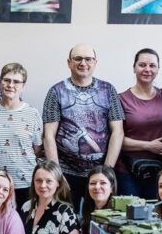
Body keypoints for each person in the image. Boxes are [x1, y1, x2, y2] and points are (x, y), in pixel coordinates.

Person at [42, 44, 125, 211]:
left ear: (95, 62)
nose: (83, 63)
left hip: (100, 173)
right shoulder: (56, 91)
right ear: (69, 62)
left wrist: (106, 172)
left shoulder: (108, 90)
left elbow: (118, 132)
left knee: (100, 219)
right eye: (78, 59)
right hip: (66, 172)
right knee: (65, 219)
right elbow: (48, 135)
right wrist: (56, 175)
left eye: (88, 59)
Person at [0, 62, 42, 211]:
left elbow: (37, 148)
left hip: (25, 183)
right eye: (6, 80)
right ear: (0, 82)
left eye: (16, 82)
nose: (10, 85)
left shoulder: (32, 114)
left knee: (23, 223)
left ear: (23, 86)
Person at [117, 48, 162, 197]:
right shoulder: (121, 99)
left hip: (159, 169)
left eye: (152, 65)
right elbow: (114, 139)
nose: (147, 69)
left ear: (158, 69)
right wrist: (149, 146)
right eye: (142, 65)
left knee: (156, 210)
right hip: (127, 170)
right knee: (129, 210)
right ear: (134, 68)